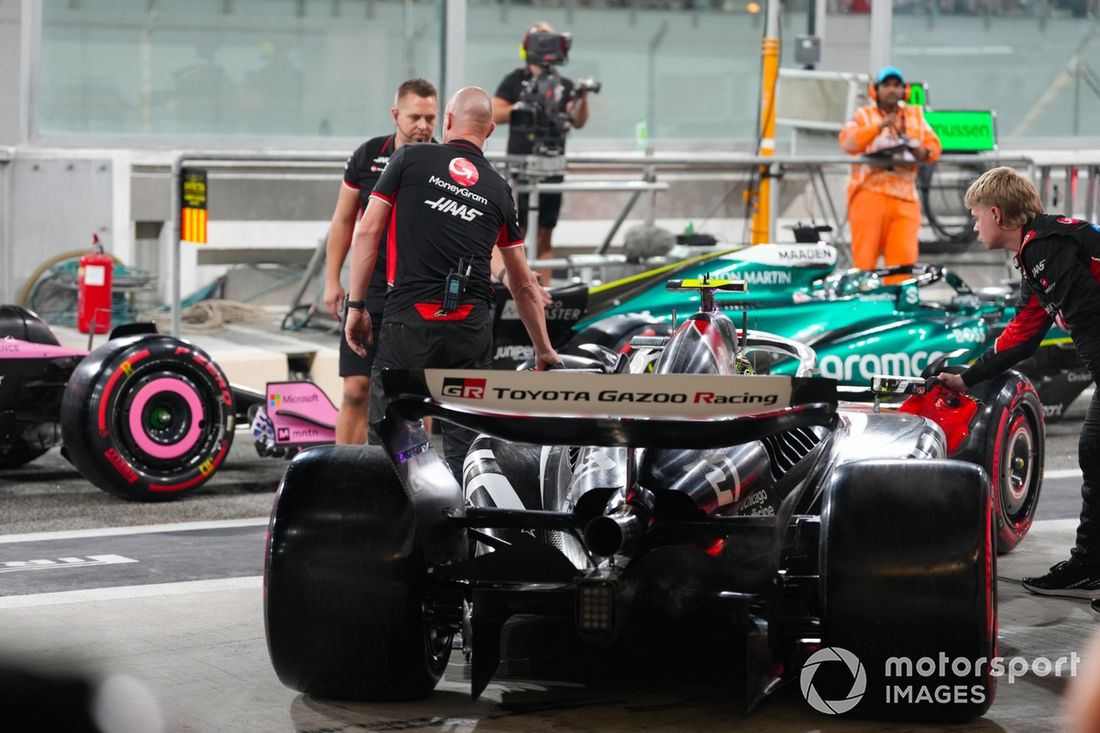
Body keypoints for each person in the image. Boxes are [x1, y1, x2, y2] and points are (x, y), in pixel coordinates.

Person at [345, 87, 562, 477]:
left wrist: (356, 306)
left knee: (392, 446)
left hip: (407, 324)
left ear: (446, 121)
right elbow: (523, 283)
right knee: (468, 449)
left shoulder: (409, 158)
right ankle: (465, 513)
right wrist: (544, 349)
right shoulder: (499, 189)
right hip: (469, 333)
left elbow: (367, 231)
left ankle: (395, 509)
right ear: (490, 131)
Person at [936, 166, 1100, 601]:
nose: (974, 226)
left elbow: (1090, 322)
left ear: (996, 213)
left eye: (976, 216)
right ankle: (1090, 563)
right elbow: (1022, 336)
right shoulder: (1036, 252)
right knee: (1095, 450)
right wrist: (967, 378)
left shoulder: (1047, 247)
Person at [322, 78, 438, 445]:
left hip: (419, 291)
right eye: (415, 117)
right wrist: (332, 280)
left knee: (416, 396)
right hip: (369, 288)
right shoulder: (368, 155)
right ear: (395, 115)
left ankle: (413, 477)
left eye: (431, 118)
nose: (423, 126)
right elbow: (343, 220)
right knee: (356, 389)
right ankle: (345, 473)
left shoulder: (444, 161)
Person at [492, 21, 591, 276]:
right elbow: (494, 113)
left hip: (551, 167)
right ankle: (515, 288)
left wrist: (582, 98)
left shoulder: (563, 85)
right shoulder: (515, 81)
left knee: (545, 234)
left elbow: (577, 120)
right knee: (516, 234)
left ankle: (543, 292)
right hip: (521, 169)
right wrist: (521, 108)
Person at [839, 65, 941, 273]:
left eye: (896, 85)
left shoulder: (915, 115)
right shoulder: (863, 115)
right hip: (869, 195)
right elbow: (848, 143)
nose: (892, 90)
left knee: (903, 267)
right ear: (875, 90)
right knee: (864, 264)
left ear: (904, 90)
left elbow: (934, 148)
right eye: (886, 85)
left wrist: (920, 151)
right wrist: (879, 127)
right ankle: (864, 295)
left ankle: (897, 294)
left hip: (905, 198)